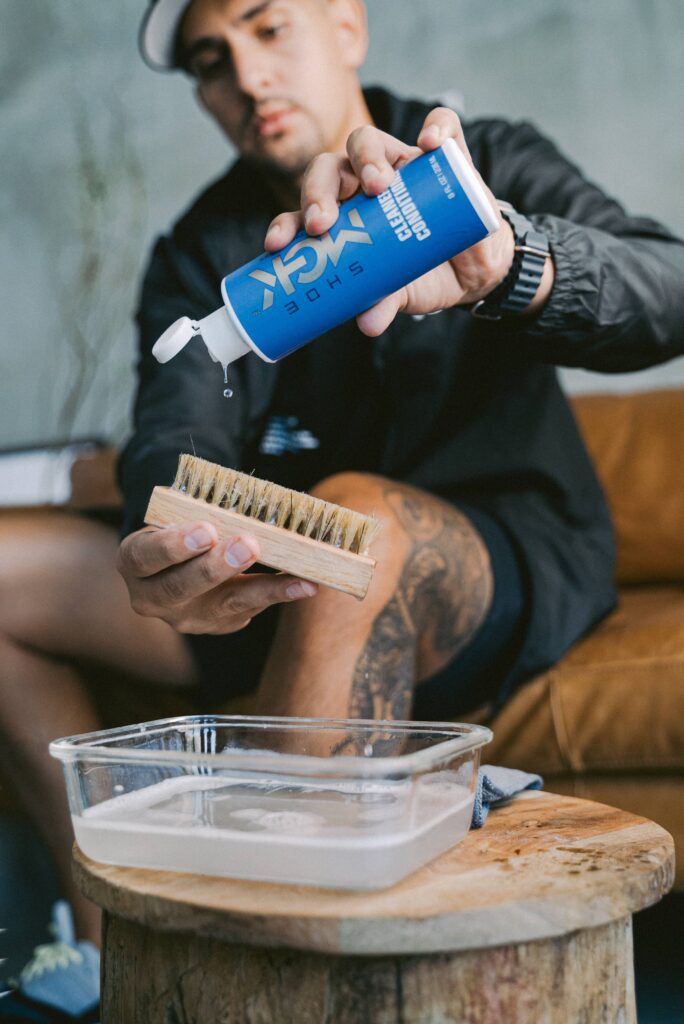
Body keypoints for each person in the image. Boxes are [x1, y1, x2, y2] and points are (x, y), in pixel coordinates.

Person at [1, 0, 683, 996]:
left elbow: (667, 286)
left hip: (503, 561)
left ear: (347, 26)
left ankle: (256, 983)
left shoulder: (477, 162)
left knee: (359, 514)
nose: (244, 75)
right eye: (210, 59)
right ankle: (115, 950)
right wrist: (174, 534)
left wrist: (509, 262)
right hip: (273, 574)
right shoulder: (201, 251)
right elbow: (174, 425)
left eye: (266, 26)